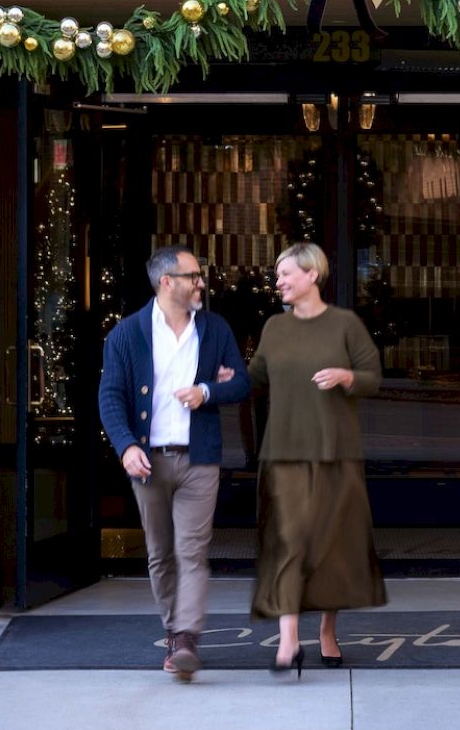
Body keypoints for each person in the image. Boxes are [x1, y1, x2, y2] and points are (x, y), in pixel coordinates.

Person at [97, 245, 250, 681]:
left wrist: (207, 391)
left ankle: (186, 638)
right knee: (160, 553)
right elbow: (110, 397)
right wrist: (126, 446)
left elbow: (240, 381)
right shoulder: (127, 335)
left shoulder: (215, 329)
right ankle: (172, 629)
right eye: (192, 276)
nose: (200, 282)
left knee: (192, 551)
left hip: (199, 459)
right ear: (167, 282)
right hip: (148, 462)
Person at [247, 242, 387, 676]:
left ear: (312, 275)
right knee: (288, 542)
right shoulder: (274, 328)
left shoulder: (345, 325)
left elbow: (373, 378)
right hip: (283, 452)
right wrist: (226, 377)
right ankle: (288, 641)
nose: (279, 282)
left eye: (285, 274)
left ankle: (327, 631)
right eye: (277, 276)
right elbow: (255, 377)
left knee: (333, 548)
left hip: (335, 454)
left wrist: (347, 376)